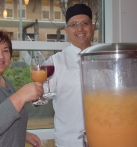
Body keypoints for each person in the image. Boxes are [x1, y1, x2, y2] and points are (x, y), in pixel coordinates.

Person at [44, 4, 95, 147]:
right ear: (67, 30)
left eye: (84, 23)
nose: (80, 29)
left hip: (104, 138)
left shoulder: (104, 56)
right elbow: (42, 95)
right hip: (70, 141)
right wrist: (38, 93)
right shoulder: (55, 61)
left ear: (92, 27)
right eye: (74, 25)